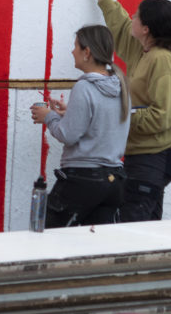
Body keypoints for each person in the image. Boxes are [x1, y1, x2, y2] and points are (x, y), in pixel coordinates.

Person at [85, 0, 171, 222]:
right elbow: (119, 23)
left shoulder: (163, 62)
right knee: (146, 228)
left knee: (134, 229)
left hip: (153, 157)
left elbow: (163, 116)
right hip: (141, 154)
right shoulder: (142, 52)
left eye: (138, 16)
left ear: (147, 29)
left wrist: (118, 116)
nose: (132, 17)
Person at [31, 25, 131, 227]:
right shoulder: (120, 85)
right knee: (94, 247)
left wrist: (49, 116)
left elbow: (68, 134)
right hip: (115, 179)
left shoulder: (84, 86)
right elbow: (102, 122)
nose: (72, 51)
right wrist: (70, 112)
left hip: (84, 179)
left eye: (76, 46)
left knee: (48, 236)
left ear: (87, 53)